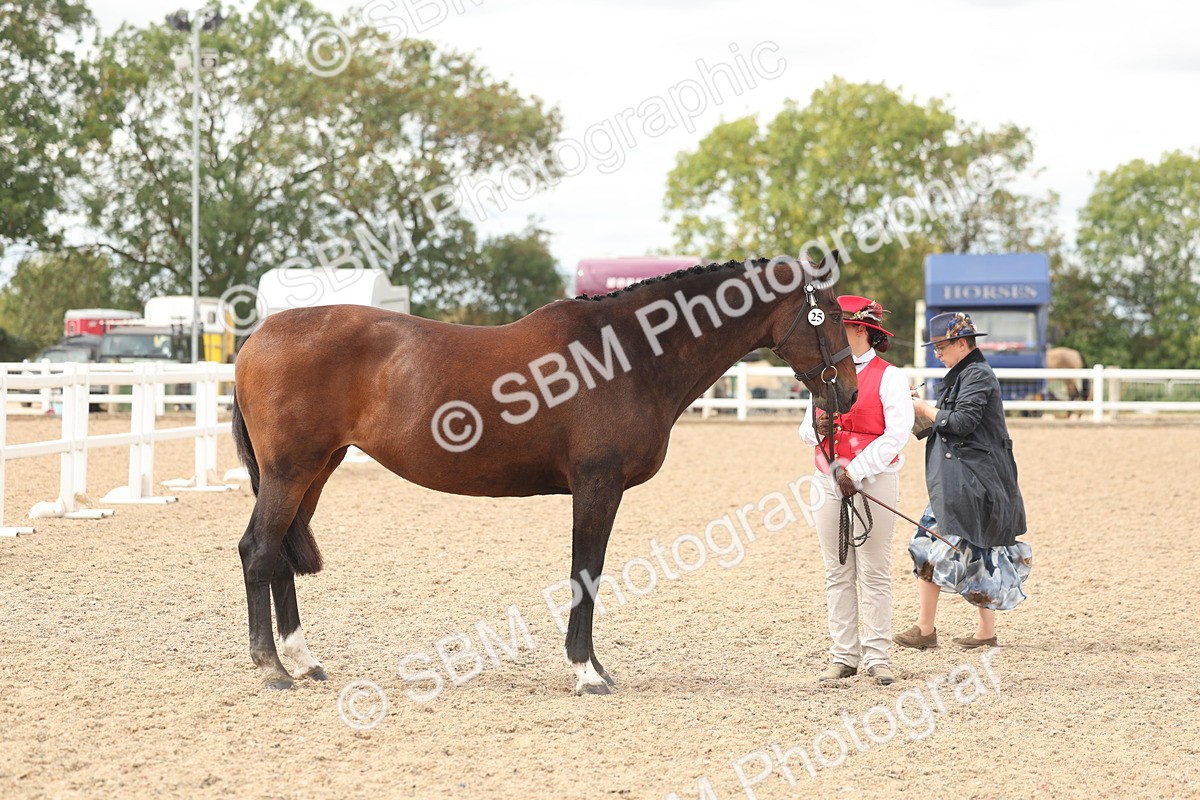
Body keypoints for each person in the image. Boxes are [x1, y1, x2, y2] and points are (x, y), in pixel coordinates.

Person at [894, 312, 1032, 651]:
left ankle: (929, 629)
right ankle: (975, 632)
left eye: (941, 346)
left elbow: (962, 422)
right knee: (976, 550)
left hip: (972, 482)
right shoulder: (964, 375)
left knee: (932, 546)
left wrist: (925, 409)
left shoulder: (976, 376)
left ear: (961, 343)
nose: (936, 353)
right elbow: (943, 425)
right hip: (964, 480)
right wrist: (913, 408)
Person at [799, 296, 914, 686]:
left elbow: (896, 434)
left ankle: (878, 656)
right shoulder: (825, 374)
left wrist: (857, 470)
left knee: (874, 569)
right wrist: (820, 429)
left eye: (842, 329)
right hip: (827, 479)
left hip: (874, 479)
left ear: (862, 331)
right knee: (837, 569)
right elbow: (802, 429)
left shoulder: (890, 377)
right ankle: (843, 654)